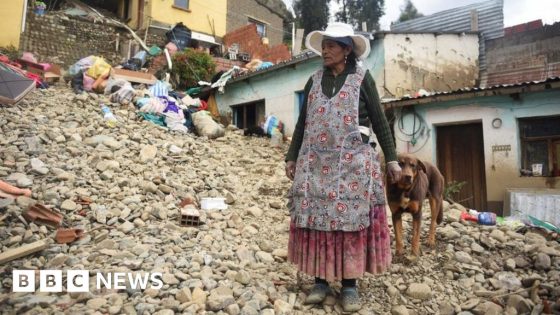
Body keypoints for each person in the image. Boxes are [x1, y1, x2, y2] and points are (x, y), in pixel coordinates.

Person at [285, 22, 402, 312]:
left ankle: (349, 285)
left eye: (332, 45)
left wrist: (392, 158)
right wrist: (291, 156)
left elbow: (378, 119)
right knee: (316, 220)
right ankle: (320, 281)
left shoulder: (363, 79)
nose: (325, 50)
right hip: (315, 165)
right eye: (324, 45)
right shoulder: (313, 81)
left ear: (347, 50)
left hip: (352, 166)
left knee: (350, 223)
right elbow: (303, 123)